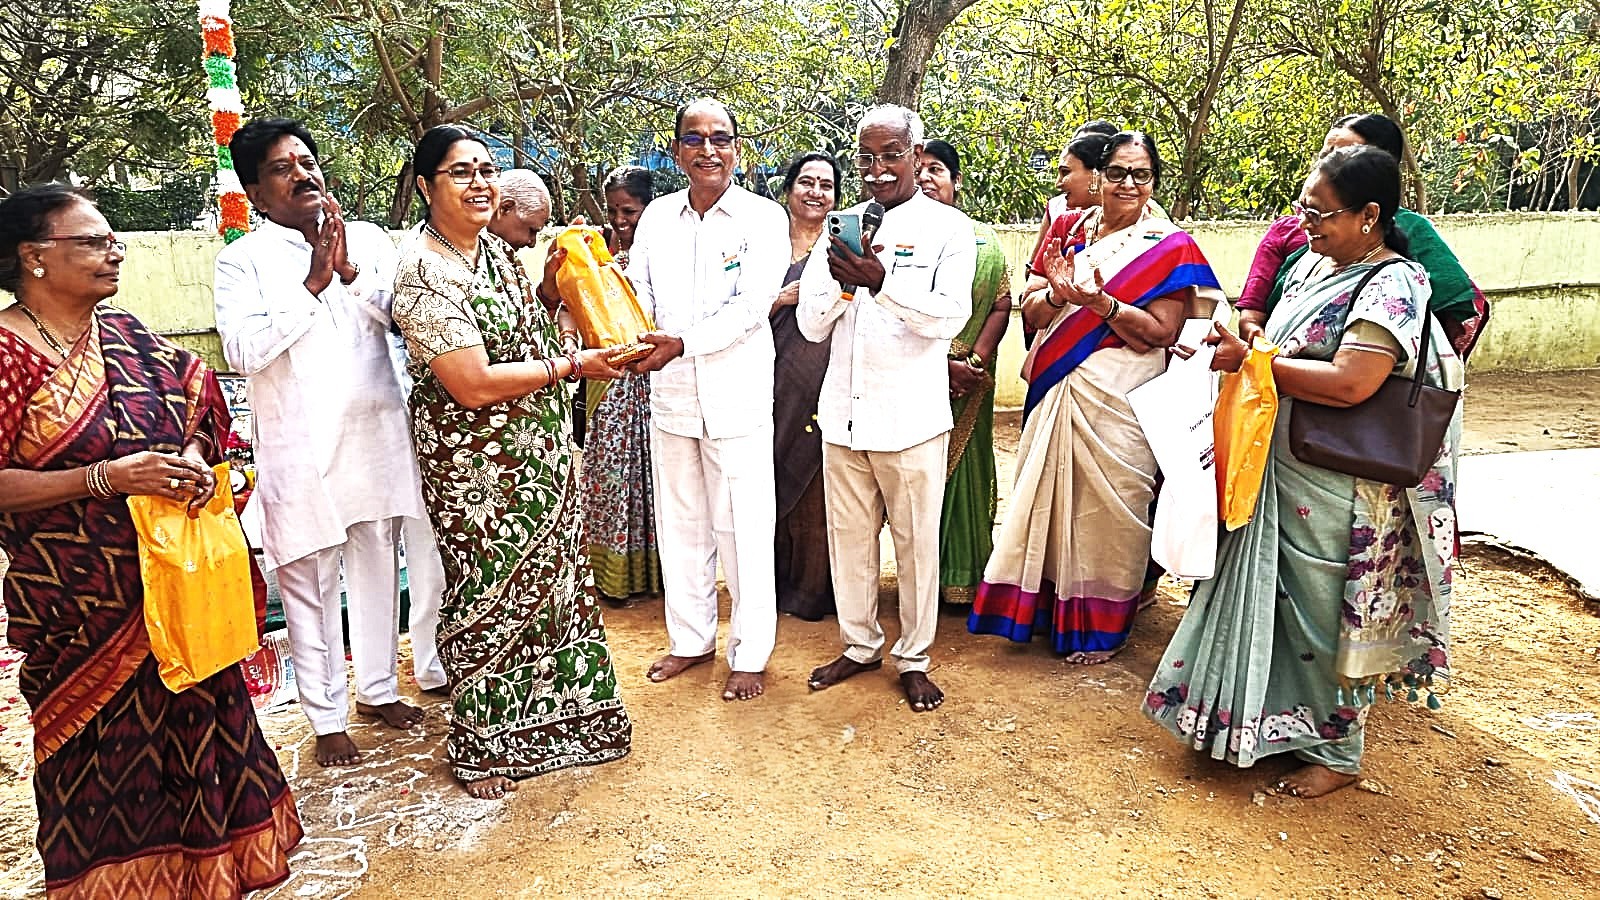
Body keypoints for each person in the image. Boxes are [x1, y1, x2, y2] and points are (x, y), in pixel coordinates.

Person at [0, 185, 303, 895]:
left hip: (178, 591)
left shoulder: (129, 336)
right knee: (102, 764)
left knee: (199, 739)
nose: (114, 252)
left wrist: (196, 461)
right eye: (92, 241)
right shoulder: (8, 354)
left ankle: (212, 876)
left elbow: (205, 410)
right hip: (80, 607)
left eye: (114, 240)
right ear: (32, 258)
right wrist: (104, 479)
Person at [1145, 145, 1462, 799]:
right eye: (1303, 210)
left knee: (1321, 616)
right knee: (1277, 609)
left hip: (1335, 483)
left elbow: (1353, 381)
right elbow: (1281, 347)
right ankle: (1260, 726)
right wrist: (1239, 349)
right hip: (1279, 469)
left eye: (1321, 214)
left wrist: (1252, 363)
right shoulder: (1319, 268)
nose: (1307, 225)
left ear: (1370, 215)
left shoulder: (1393, 282)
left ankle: (1338, 751)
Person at [391, 124, 632, 798]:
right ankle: (488, 745)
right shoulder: (423, 271)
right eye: (460, 172)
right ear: (424, 186)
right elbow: (469, 381)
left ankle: (571, 725)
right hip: (476, 468)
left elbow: (523, 326)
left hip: (542, 450)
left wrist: (559, 290)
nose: (479, 184)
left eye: (487, 170)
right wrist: (574, 365)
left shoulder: (495, 252)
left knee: (555, 584)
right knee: (490, 591)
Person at [214, 118, 426, 767]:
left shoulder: (364, 238)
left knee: (377, 563)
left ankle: (379, 690)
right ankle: (327, 715)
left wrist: (349, 269)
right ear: (255, 191)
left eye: (306, 160)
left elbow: (402, 314)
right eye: (282, 167)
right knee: (308, 580)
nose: (303, 174)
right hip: (302, 450)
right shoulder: (242, 260)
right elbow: (244, 351)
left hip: (377, 431)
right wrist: (311, 282)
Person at [968, 131, 1225, 663]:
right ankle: (1042, 609)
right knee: (1049, 498)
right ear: (1098, 177)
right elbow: (1034, 312)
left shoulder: (1168, 247)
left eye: (1141, 174)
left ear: (1153, 181)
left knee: (1112, 509)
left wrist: (1101, 304)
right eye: (1117, 173)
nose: (1128, 183)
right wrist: (1059, 294)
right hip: (1059, 386)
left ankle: (1103, 626)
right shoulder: (1070, 229)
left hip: (1122, 398)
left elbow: (1159, 332)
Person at [799, 105, 975, 712]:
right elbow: (812, 325)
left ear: (917, 155)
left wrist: (881, 282)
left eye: (890, 156)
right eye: (867, 158)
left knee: (916, 545)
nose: (877, 170)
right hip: (843, 417)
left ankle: (915, 657)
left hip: (912, 421)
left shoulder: (949, 229)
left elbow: (949, 317)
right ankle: (859, 645)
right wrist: (844, 285)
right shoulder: (837, 227)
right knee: (848, 540)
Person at [626, 98, 789, 702]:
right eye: (694, 139)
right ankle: (691, 640)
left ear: (737, 148)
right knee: (682, 524)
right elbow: (636, 288)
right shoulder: (657, 219)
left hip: (736, 395)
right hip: (668, 396)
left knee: (743, 527)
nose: (707, 150)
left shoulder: (763, 219)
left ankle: (750, 651)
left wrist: (681, 344)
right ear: (677, 152)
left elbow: (751, 309)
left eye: (720, 138)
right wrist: (635, 337)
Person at [1236, 113, 1488, 358]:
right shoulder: (1302, 243)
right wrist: (1262, 354)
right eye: (1326, 156)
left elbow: (1348, 383)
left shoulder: (1398, 267)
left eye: (1346, 157)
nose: (1330, 166)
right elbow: (1252, 312)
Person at [557, 164, 663, 604]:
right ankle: (612, 580)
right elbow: (569, 303)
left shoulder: (662, 252)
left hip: (655, 382)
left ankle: (657, 577)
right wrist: (568, 344)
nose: (621, 220)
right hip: (609, 382)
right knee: (612, 477)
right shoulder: (593, 254)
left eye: (631, 211)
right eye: (615, 210)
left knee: (654, 478)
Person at [916, 139, 1012, 605]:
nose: (926, 178)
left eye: (936, 169)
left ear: (956, 181)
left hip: (971, 379)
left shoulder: (983, 240)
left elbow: (1001, 303)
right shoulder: (899, 237)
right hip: (914, 375)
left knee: (966, 470)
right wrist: (940, 366)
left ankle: (963, 574)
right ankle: (925, 579)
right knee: (920, 475)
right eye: (919, 170)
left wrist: (973, 361)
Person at [769, 151, 841, 620]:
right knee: (767, 479)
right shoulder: (763, 243)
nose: (816, 192)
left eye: (826, 185)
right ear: (789, 189)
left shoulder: (842, 249)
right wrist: (783, 297)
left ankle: (813, 591)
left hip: (823, 380)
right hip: (767, 380)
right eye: (806, 182)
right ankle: (770, 586)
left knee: (815, 484)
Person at [1026, 120, 1120, 274]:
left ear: (1096, 173)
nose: (1057, 183)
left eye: (1065, 172)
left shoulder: (1147, 224)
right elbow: (1033, 282)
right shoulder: (1064, 222)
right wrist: (1057, 295)